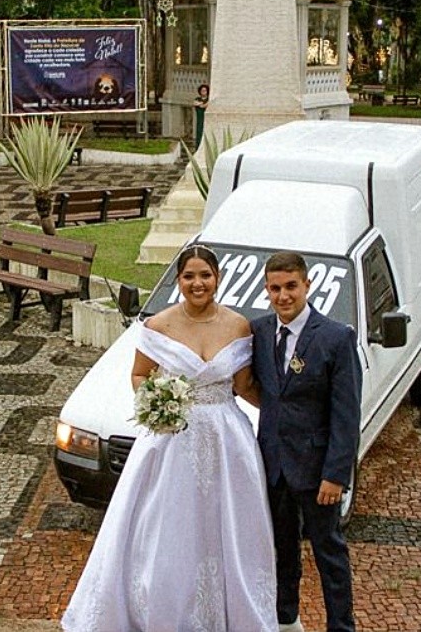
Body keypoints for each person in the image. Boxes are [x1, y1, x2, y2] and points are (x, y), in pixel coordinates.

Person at [61, 244, 275, 632]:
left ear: (218, 279)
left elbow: (244, 385)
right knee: (167, 525)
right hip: (172, 440)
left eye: (205, 275)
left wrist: (290, 413)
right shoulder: (158, 325)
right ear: (178, 280)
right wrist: (158, 402)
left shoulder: (239, 326)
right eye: (189, 276)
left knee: (227, 524)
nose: (198, 283)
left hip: (227, 441)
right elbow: (139, 376)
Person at [251, 252, 361, 632]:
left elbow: (346, 415)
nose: (283, 296)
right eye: (275, 288)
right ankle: (285, 620)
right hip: (274, 466)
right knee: (282, 550)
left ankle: (342, 627)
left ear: (307, 285)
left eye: (291, 286)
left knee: (329, 553)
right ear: (267, 290)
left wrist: (336, 474)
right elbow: (263, 391)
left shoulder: (335, 337)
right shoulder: (260, 332)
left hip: (317, 471)